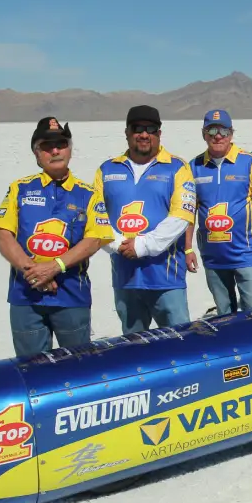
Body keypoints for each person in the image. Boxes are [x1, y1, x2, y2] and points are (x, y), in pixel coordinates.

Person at [0, 117, 113, 357]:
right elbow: (3, 235)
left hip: (71, 296)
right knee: (32, 368)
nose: (55, 151)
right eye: (46, 146)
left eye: (61, 144)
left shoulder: (88, 194)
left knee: (77, 366)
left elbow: (95, 239)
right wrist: (34, 272)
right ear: (36, 154)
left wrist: (54, 267)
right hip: (26, 296)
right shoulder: (20, 188)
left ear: (70, 149)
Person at [94, 105, 197, 334]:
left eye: (150, 129)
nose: (144, 134)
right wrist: (117, 245)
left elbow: (182, 215)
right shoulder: (107, 170)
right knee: (134, 345)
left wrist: (142, 246)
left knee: (178, 342)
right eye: (137, 128)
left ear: (159, 133)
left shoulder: (178, 168)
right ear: (127, 132)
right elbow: (96, 217)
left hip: (167, 279)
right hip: (125, 277)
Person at [186, 109, 252, 315]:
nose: (218, 136)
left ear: (231, 133)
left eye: (224, 131)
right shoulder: (194, 167)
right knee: (225, 313)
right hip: (213, 256)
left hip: (246, 254)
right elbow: (188, 212)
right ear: (203, 134)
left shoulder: (249, 162)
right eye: (212, 130)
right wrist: (187, 249)